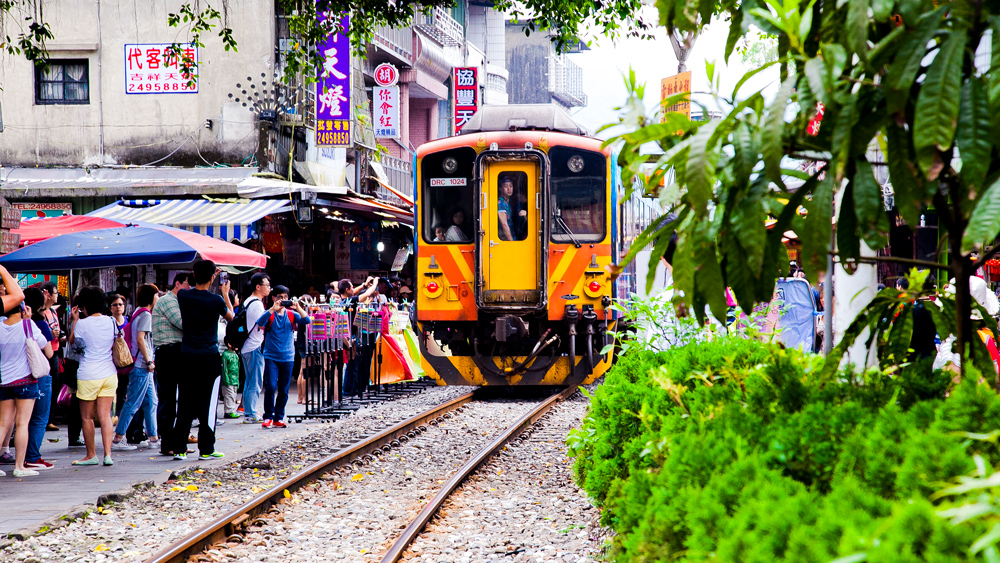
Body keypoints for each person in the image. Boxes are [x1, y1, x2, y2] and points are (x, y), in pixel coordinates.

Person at [171, 260, 234, 460]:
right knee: (209, 404)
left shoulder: (183, 295)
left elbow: (186, 288)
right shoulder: (216, 301)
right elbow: (231, 317)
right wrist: (224, 293)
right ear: (213, 277)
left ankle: (179, 448)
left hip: (187, 356)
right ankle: (206, 448)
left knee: (185, 403)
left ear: (194, 275)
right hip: (209, 357)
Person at [0, 273, 49, 478]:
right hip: (26, 381)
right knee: (22, 424)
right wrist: (28, 321)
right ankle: (19, 466)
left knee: (3, 424)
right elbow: (47, 348)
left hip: (3, 380)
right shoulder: (29, 325)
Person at [68, 286, 119, 466]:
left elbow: (73, 347)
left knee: (87, 417)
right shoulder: (111, 321)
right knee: (105, 416)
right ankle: (108, 455)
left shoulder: (82, 323)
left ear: (84, 306)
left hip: (88, 373)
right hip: (109, 372)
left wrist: (74, 321)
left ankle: (91, 455)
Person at [111, 284, 159, 451]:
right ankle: (117, 438)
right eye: (156, 295)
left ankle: (153, 437)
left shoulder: (138, 311)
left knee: (151, 401)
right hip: (141, 365)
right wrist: (149, 361)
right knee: (133, 402)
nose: (158, 298)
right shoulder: (146, 314)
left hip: (140, 365)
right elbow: (140, 339)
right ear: (152, 297)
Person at [256, 286, 310, 428]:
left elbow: (307, 320)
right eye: (280, 297)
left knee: (284, 389)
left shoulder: (292, 314)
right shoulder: (270, 314)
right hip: (271, 356)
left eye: (285, 297)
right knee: (271, 386)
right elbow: (260, 323)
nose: (283, 300)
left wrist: (298, 307)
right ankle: (268, 416)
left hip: (288, 357)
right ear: (273, 298)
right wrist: (273, 309)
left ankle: (278, 417)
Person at [151, 272, 190, 457]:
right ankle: (167, 443)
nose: (190, 289)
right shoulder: (167, 301)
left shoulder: (180, 300)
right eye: (188, 285)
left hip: (179, 352)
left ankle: (178, 442)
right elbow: (183, 323)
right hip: (168, 352)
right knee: (167, 400)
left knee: (182, 400)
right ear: (177, 284)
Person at [22, 288, 56, 470]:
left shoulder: (12, 322)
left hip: (18, 377)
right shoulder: (39, 324)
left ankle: (19, 458)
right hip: (38, 375)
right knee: (39, 418)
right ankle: (33, 457)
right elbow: (49, 353)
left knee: (20, 420)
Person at [239, 272, 270, 424]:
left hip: (246, 346)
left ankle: (248, 411)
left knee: (249, 381)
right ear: (258, 287)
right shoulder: (257, 303)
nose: (269, 288)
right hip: (254, 346)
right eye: (267, 285)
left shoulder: (248, 301)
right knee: (255, 382)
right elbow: (262, 323)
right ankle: (250, 414)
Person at [39, 282, 62, 430]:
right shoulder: (40, 314)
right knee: (46, 387)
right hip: (45, 353)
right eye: (55, 293)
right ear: (47, 294)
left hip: (55, 351)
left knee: (54, 387)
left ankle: (49, 418)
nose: (57, 295)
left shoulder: (53, 312)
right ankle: (44, 418)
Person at [497, 176, 526, 241]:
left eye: (511, 186)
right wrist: (511, 242)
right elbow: (504, 224)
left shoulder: (508, 202)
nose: (509, 189)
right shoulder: (501, 203)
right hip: (505, 239)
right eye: (505, 186)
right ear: (500, 189)